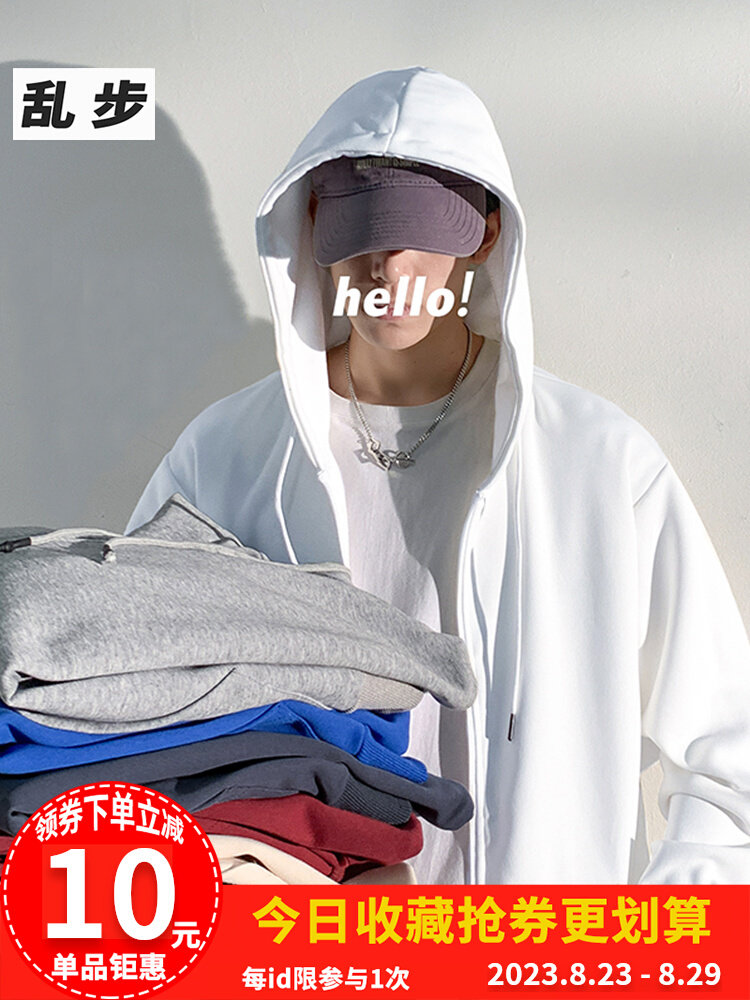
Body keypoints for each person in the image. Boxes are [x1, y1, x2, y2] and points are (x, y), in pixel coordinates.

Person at [127, 66, 750, 884]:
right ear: (312, 227)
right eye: (363, 230)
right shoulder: (225, 456)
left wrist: (650, 936)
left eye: (422, 234)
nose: (391, 268)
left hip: (535, 938)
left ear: (484, 236)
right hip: (305, 935)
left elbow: (726, 755)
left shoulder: (600, 463)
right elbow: (128, 704)